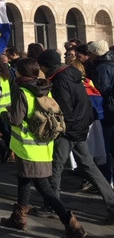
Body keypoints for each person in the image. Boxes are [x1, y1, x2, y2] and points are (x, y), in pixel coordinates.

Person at [0, 58, 86, 238]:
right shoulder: (44, 89)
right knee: (24, 181)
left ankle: (70, 221)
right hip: (43, 147)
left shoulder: (23, 91)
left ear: (21, 72)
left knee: (43, 187)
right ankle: (19, 217)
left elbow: (15, 119)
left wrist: (4, 113)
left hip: (27, 148)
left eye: (16, 69)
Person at [36, 48, 114, 218]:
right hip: (79, 127)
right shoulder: (73, 74)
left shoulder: (60, 80)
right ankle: (112, 203)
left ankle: (52, 206)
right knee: (89, 166)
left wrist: (66, 128)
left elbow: (64, 108)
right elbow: (84, 102)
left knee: (55, 168)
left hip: (68, 129)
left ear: (46, 65)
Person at [88, 40, 114, 187]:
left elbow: (100, 91)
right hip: (111, 108)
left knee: (104, 146)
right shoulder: (111, 63)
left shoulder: (101, 68)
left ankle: (106, 179)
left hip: (107, 110)